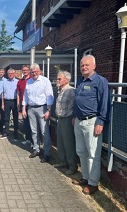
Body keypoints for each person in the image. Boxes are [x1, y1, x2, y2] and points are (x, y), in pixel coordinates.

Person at [72, 55, 109, 195]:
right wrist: (75, 115)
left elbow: (104, 103)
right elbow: (78, 100)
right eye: (82, 65)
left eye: (87, 65)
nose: (84, 67)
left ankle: (93, 184)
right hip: (79, 121)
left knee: (93, 154)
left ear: (94, 66)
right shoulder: (80, 81)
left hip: (92, 122)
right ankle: (85, 177)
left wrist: (100, 122)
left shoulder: (100, 81)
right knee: (81, 151)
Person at [22, 63, 54, 163]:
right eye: (32, 72)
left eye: (35, 71)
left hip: (42, 108)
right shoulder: (29, 82)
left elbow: (50, 96)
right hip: (31, 108)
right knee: (34, 131)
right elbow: (25, 96)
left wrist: (49, 110)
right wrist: (24, 108)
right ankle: (36, 149)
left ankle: (47, 153)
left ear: (39, 71)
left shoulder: (45, 81)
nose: (34, 73)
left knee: (44, 132)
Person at [54, 71, 77, 175]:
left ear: (67, 80)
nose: (57, 80)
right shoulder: (61, 90)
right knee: (61, 142)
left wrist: (73, 117)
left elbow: (73, 106)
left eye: (59, 79)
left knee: (68, 143)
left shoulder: (71, 91)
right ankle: (63, 162)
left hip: (67, 119)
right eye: (57, 79)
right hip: (60, 118)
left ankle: (72, 166)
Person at [17, 65, 33, 145]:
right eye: (23, 70)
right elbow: (18, 93)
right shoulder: (20, 81)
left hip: (31, 104)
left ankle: (34, 141)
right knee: (26, 123)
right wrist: (18, 104)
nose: (25, 71)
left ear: (29, 71)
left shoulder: (32, 79)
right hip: (23, 105)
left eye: (26, 70)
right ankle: (28, 139)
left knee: (32, 123)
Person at [1, 68, 19, 140]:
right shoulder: (5, 82)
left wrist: (18, 104)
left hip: (14, 101)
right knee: (6, 118)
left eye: (12, 73)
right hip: (7, 101)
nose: (10, 74)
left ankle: (15, 133)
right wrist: (2, 103)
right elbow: (2, 93)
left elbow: (19, 93)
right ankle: (6, 132)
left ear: (14, 74)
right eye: (9, 73)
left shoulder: (17, 82)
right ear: (7, 74)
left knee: (15, 118)